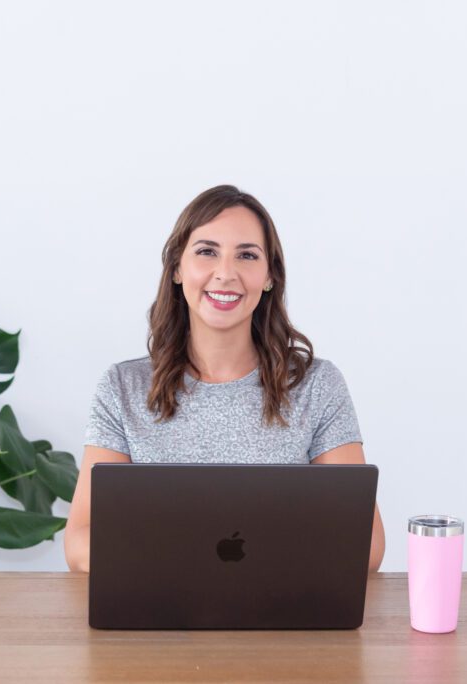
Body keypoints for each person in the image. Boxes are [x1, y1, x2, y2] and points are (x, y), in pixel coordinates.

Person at [64, 185, 385, 572]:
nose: (226, 273)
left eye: (247, 255)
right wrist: (207, 558)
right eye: (207, 252)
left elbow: (365, 543)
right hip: (160, 619)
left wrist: (169, 550)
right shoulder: (123, 387)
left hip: (283, 617)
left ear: (269, 276)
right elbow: (81, 542)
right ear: (178, 269)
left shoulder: (317, 385)